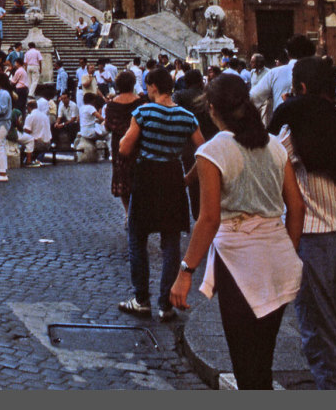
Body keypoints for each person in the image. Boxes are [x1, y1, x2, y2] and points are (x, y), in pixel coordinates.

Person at [170, 73, 305, 390]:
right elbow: (297, 207)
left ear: (212, 109)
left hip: (238, 261)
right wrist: (289, 249)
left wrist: (186, 271)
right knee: (263, 359)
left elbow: (209, 219)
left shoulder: (213, 151)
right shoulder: (274, 146)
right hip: (277, 255)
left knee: (246, 364)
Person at [273, 57, 336, 390]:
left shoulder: (298, 129)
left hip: (316, 241)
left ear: (300, 89)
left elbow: (272, 163)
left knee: (324, 340)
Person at [118, 68, 204, 322]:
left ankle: (141, 299)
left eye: (147, 86)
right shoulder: (187, 116)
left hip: (147, 176)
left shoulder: (143, 112)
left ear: (153, 86)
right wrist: (188, 178)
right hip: (173, 176)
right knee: (171, 242)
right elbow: (205, 151)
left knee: (137, 237)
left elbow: (125, 148)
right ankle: (165, 304)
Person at [104, 70, 144, 213]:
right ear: (133, 84)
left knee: (122, 177)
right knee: (139, 176)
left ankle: (128, 212)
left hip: (119, 144)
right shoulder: (141, 103)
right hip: (138, 143)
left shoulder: (111, 105)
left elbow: (108, 126)